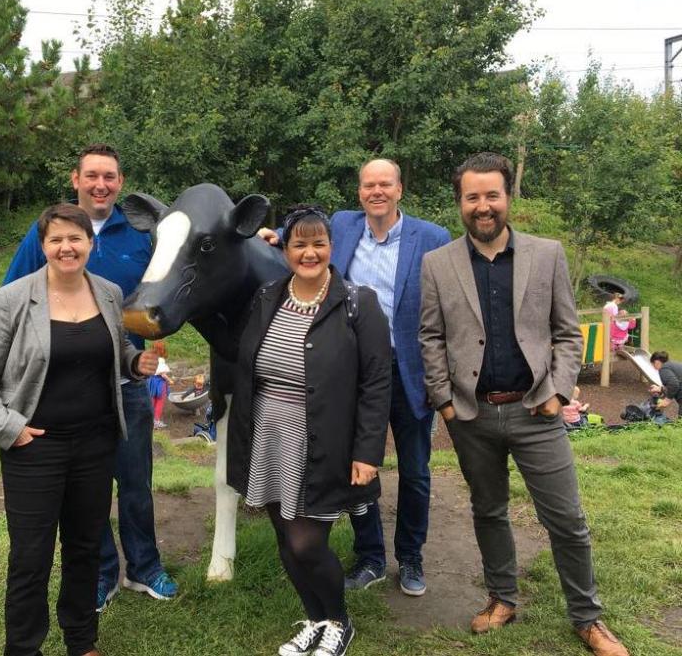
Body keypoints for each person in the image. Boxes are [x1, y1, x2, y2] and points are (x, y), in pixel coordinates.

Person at [419, 152, 629, 656]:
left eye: (492, 195)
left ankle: (587, 617)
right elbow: (430, 337)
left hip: (536, 410)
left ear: (508, 197)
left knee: (567, 520)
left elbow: (565, 332)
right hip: (471, 415)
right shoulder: (438, 264)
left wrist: (558, 391)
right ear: (461, 203)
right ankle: (502, 599)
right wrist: (446, 403)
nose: (483, 206)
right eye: (473, 197)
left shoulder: (547, 254)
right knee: (488, 510)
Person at [0, 203, 160, 656]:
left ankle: (81, 640)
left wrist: (133, 361)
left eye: (75, 239)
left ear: (89, 245)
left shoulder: (108, 293)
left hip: (95, 444)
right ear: (44, 246)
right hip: (34, 448)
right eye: (56, 240)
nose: (66, 248)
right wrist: (8, 428)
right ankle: (24, 647)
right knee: (31, 557)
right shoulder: (13, 299)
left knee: (85, 548)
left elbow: (117, 346)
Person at [260, 158, 450, 596]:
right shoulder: (343, 226)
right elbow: (308, 248)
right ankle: (371, 557)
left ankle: (411, 557)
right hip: (352, 375)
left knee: (416, 471)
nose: (376, 192)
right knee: (356, 470)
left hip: (407, 372)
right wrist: (273, 240)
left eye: (385, 184)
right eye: (368, 185)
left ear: (400, 189)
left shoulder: (432, 238)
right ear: (359, 191)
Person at [3, 143, 178, 611]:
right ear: (75, 180)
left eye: (110, 177)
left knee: (136, 483)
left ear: (121, 183)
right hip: (67, 394)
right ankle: (102, 574)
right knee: (87, 492)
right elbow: (11, 298)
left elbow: (184, 269)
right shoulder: (48, 234)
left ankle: (145, 568)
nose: (101, 185)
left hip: (127, 385)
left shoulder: (141, 234)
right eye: (92, 176)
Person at [229, 206, 392, 656]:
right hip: (269, 432)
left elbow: (377, 383)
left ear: (331, 248)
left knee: (305, 540)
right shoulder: (268, 295)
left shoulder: (359, 301)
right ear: (284, 248)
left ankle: (338, 622)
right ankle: (315, 617)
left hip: (323, 436)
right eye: (299, 243)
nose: (309, 252)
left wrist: (367, 453)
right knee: (284, 535)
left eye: (318, 243)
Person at [147, 340, 174, 429]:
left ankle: (150, 420)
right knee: (159, 402)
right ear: (162, 350)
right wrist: (169, 380)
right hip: (159, 383)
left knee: (152, 401)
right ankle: (156, 421)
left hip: (151, 381)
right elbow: (162, 374)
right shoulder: (161, 360)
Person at [650, 351, 682, 416]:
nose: (654, 367)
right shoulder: (671, 364)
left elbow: (674, 384)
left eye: (653, 364)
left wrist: (667, 400)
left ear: (656, 362)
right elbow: (676, 382)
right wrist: (661, 389)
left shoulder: (664, 368)